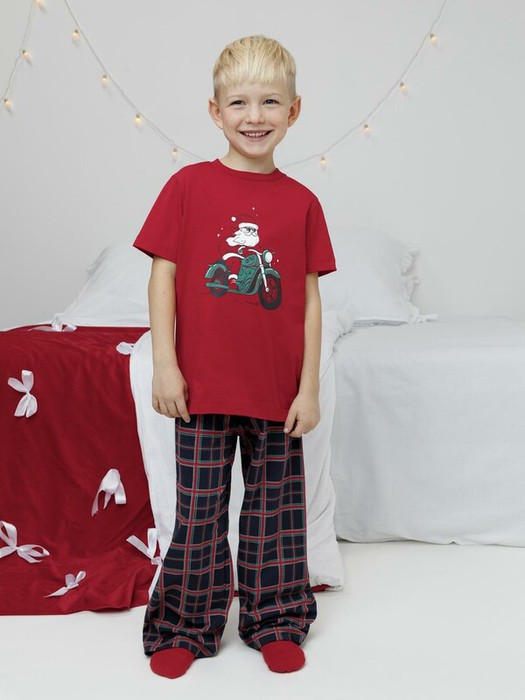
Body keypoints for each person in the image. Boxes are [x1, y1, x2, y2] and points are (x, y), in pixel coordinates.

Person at [133, 34, 337, 679]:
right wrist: (166, 364)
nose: (255, 116)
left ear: (294, 111)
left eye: (271, 102)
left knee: (275, 514)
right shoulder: (187, 186)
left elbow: (309, 301)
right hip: (200, 387)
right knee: (198, 513)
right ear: (215, 111)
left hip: (276, 390)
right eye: (240, 102)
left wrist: (308, 388)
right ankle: (184, 625)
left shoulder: (302, 203)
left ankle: (275, 619)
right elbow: (162, 277)